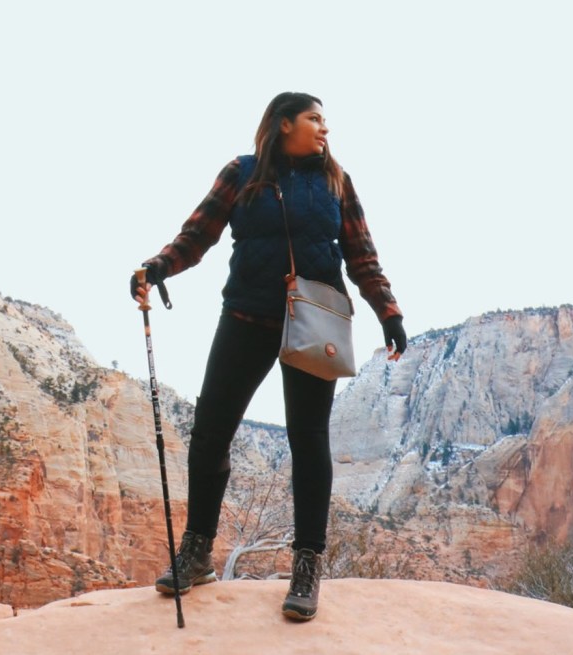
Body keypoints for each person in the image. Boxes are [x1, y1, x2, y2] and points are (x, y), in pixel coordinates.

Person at [130, 92, 406, 621]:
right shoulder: (243, 172)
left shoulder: (336, 182)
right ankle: (196, 553)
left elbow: (361, 254)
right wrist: (158, 267)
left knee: (308, 440)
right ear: (284, 124)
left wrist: (388, 311)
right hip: (246, 318)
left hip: (314, 321)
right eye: (314, 118)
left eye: (325, 120)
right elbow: (198, 234)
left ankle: (307, 566)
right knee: (211, 431)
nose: (325, 128)